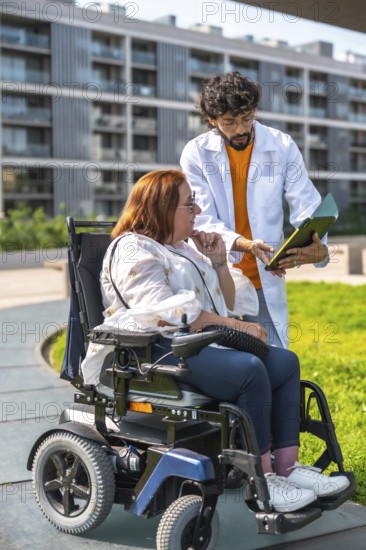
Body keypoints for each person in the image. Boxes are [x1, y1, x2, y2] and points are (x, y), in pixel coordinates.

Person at [81, 169, 349, 513]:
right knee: (250, 370)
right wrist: (234, 327)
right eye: (189, 204)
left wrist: (219, 262)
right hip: (156, 351)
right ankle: (263, 479)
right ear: (161, 207)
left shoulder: (182, 248)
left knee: (284, 362)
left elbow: (227, 302)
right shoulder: (132, 248)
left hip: (200, 342)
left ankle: (287, 469)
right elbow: (165, 312)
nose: (196, 211)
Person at [180, 72, 330, 348]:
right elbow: (201, 217)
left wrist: (319, 247)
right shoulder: (196, 153)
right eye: (230, 122)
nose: (241, 129)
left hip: (263, 279)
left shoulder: (281, 146)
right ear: (212, 119)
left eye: (247, 118)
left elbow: (308, 205)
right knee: (223, 366)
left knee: (275, 359)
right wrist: (243, 244)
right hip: (215, 275)